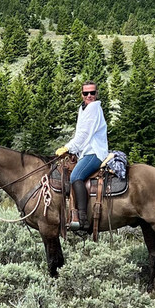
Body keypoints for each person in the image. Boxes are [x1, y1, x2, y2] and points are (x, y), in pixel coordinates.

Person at [55, 81, 108, 230]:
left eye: (92, 93)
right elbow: (80, 133)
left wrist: (68, 147)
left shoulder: (93, 109)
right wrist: (73, 150)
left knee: (75, 177)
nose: (89, 96)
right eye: (86, 93)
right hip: (85, 151)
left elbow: (84, 135)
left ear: (96, 93)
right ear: (82, 94)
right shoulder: (83, 108)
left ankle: (83, 218)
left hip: (94, 152)